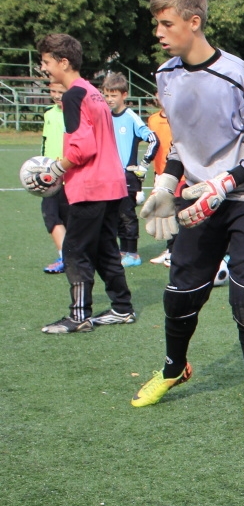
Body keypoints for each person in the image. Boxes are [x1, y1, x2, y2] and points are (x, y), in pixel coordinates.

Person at [131, 0, 244, 436]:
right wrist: (165, 183)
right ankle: (173, 368)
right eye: (157, 24)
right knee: (181, 294)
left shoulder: (239, 75)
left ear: (194, 21)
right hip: (197, 198)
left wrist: (225, 182)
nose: (159, 33)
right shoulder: (166, 75)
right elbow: (182, 142)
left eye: (167, 23)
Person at [32, 34, 135, 334]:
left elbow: (81, 148)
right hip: (112, 185)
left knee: (75, 251)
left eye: (47, 62)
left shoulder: (74, 95)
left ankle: (78, 316)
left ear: (63, 62)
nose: (44, 68)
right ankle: (122, 308)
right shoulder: (92, 91)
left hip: (90, 186)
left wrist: (55, 168)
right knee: (105, 249)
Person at [101, 73, 159, 268]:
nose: (109, 99)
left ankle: (133, 253)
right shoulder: (105, 116)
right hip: (109, 174)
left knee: (127, 214)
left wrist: (142, 166)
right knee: (114, 214)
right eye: (107, 95)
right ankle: (122, 250)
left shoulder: (131, 117)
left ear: (124, 95)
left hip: (127, 175)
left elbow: (153, 140)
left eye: (113, 95)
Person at [39, 80, 69, 274]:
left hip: (70, 176)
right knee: (51, 215)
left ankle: (72, 257)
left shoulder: (76, 114)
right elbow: (45, 143)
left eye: (61, 91)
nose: (57, 95)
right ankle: (64, 256)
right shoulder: (49, 114)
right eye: (53, 91)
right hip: (50, 177)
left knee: (70, 218)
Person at [146, 91, 175, 266]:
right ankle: (170, 250)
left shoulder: (177, 118)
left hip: (177, 174)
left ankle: (175, 251)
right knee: (164, 214)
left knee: (176, 213)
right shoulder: (153, 119)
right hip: (160, 173)